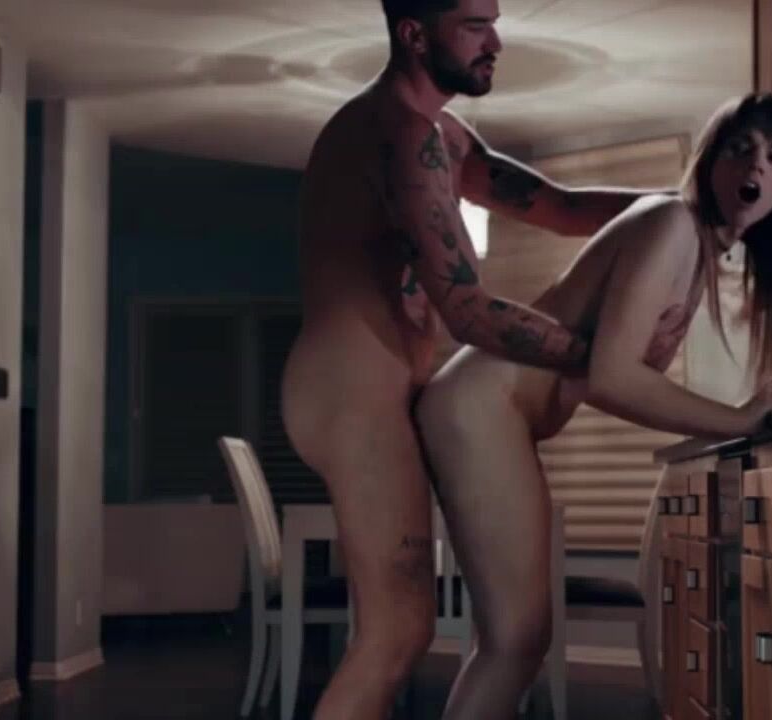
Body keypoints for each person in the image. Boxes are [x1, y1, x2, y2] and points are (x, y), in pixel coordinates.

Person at [279, 1, 662, 717]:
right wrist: (600, 358)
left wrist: (682, 207)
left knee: (456, 630)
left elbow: (562, 208)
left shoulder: (445, 137)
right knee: (394, 634)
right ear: (414, 34)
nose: (496, 42)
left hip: (394, 390)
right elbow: (467, 311)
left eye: (494, 20)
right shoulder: (396, 134)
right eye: (474, 25)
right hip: (350, 389)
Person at [414, 92, 772, 719]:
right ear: (711, 160)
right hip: (480, 405)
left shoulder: (694, 248)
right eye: (741, 148)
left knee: (518, 640)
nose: (756, 166)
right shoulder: (672, 222)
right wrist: (742, 418)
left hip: (492, 410)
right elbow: (612, 378)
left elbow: (601, 374)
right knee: (515, 641)